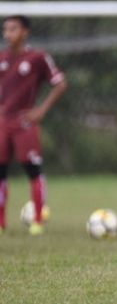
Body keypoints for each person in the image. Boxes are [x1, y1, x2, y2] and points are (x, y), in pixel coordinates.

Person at [0, 15, 67, 235]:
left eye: (13, 29)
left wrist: (41, 110)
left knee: (33, 171)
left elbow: (59, 83)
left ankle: (38, 220)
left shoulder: (38, 57)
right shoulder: (2, 58)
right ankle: (1, 222)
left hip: (24, 122)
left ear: (25, 32)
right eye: (6, 29)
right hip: (3, 122)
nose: (8, 33)